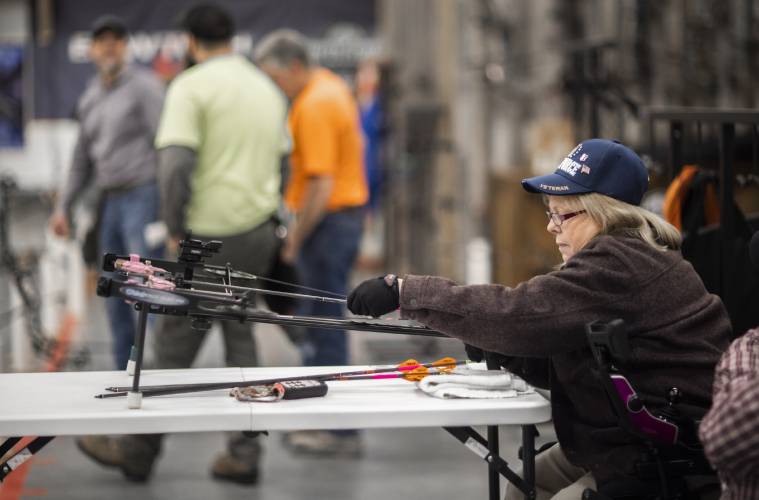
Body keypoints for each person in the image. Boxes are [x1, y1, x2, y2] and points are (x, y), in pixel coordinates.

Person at [347, 139, 731, 499]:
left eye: (561, 214)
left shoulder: (618, 262)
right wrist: (503, 349)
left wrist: (404, 292)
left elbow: (517, 313)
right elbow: (583, 360)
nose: (551, 227)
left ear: (604, 212)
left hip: (661, 450)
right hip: (623, 439)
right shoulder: (626, 257)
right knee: (522, 486)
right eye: (551, 214)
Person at [76, 3, 289, 485]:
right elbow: (283, 164)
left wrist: (175, 226)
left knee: (173, 344)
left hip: (209, 238)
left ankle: (136, 452)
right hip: (257, 232)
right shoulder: (265, 87)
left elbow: (173, 165)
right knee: (239, 332)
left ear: (191, 42)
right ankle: (244, 454)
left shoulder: (190, 87)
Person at [254, 29, 368, 456]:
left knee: (323, 325)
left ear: (295, 67)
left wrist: (293, 240)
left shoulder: (314, 104)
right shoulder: (331, 87)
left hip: (328, 223)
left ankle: (334, 430)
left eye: (274, 77)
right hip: (341, 220)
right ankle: (326, 421)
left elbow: (321, 183)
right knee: (323, 320)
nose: (273, 87)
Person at [49, 15, 165, 371]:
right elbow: (80, 161)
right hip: (109, 202)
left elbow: (165, 144)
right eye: (103, 41)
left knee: (143, 288)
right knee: (113, 288)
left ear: (125, 47)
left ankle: (155, 372)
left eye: (116, 39)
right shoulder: (90, 98)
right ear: (93, 49)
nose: (110, 46)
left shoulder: (145, 87)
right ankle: (123, 372)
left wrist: (169, 209)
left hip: (142, 197)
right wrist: (62, 207)